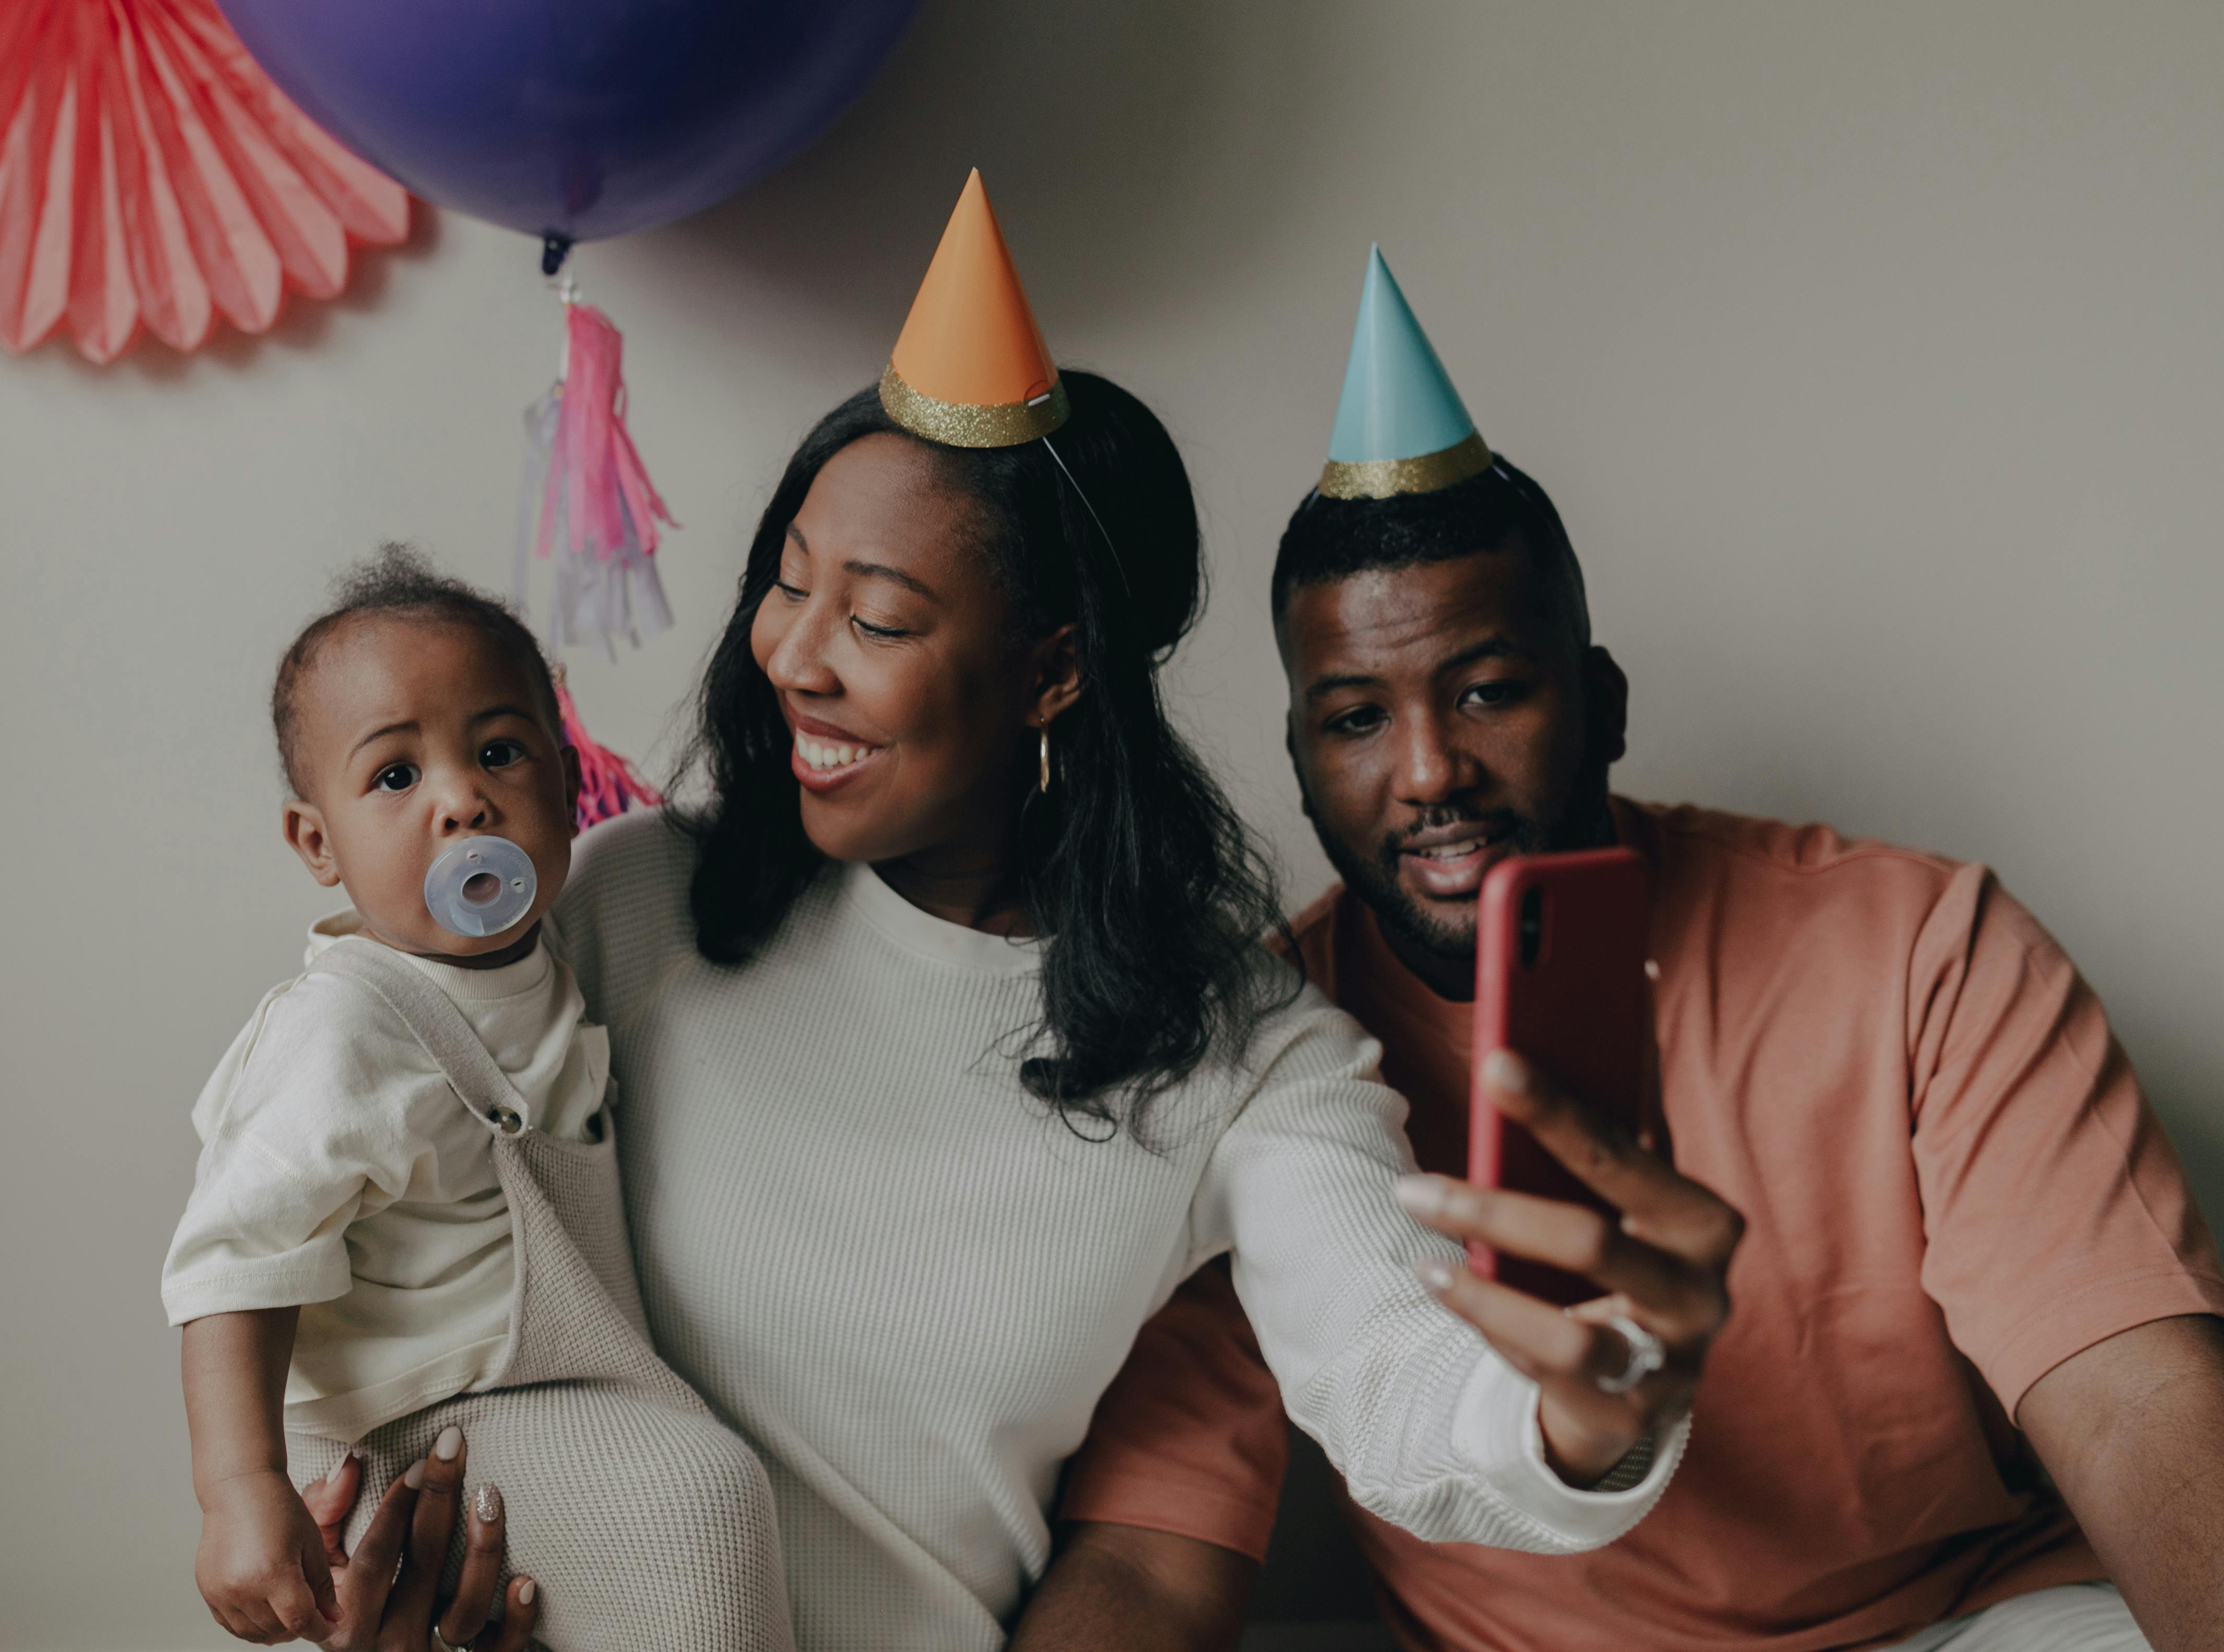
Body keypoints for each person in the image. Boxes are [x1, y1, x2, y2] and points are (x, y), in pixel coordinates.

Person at [283, 174, 1741, 1652]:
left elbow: (1395, 1373)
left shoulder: (1243, 1055)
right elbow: (379, 1221)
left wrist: (1576, 1417)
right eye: (787, 586)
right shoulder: (630, 900)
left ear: (1052, 673)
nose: (791, 657)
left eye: (878, 620)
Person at [1052, 249, 2224, 1650]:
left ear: (1600, 705)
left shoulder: (1917, 948)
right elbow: (1153, 1551)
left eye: (1487, 691)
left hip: (1972, 1623)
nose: (1429, 770)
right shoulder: (1259, 1065)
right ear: (1302, 769)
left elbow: (2138, 1399)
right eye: (1357, 718)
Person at [159, 548, 791, 1652]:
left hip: (551, 1390)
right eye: (396, 777)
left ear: (565, 776)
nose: (462, 800)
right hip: (409, 1427)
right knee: (699, 1502)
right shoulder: (343, 1028)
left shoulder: (553, 956)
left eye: (499, 752)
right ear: (318, 842)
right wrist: (239, 1486)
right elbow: (232, 1260)